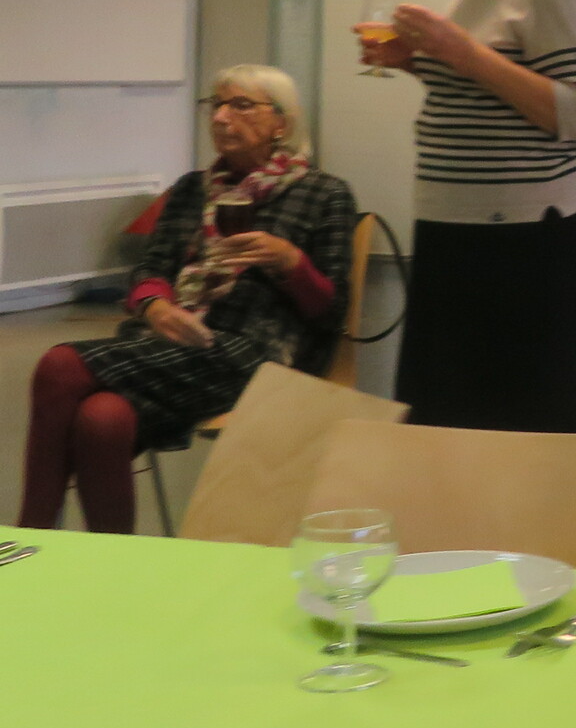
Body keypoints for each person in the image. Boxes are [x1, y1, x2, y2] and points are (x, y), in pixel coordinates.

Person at [18, 68, 354, 534]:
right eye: (215, 105)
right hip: (176, 345)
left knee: (60, 365)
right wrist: (155, 306)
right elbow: (150, 269)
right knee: (102, 419)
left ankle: (30, 534)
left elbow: (330, 311)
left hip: (261, 356)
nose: (220, 117)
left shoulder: (324, 193)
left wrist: (290, 261)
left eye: (240, 105)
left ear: (281, 123)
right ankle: (112, 560)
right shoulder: (192, 189)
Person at [360, 0, 576, 432]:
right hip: (464, 223)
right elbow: (489, 89)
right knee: (444, 413)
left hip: (523, 238)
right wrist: (419, 63)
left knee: (512, 419)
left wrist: (462, 52)